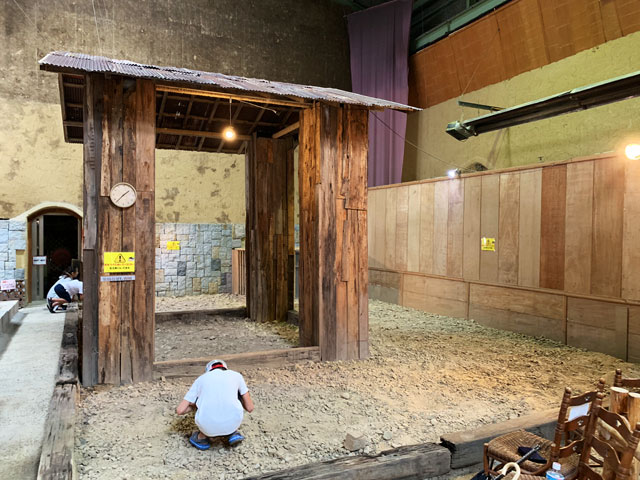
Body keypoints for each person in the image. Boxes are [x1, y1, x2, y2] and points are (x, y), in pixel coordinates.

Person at [176, 359, 254, 450]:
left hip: (207, 428)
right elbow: (250, 408)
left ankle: (202, 437)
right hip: (233, 424)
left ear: (208, 370)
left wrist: (196, 405)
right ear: (225, 368)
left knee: (201, 401)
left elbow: (180, 410)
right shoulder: (237, 376)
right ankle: (232, 433)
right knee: (238, 395)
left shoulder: (201, 379)